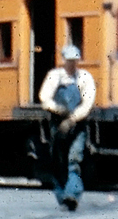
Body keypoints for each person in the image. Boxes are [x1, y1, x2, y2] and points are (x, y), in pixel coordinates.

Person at [37, 43, 96, 210]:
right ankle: (62, 194)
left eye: (75, 61)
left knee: (74, 159)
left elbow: (88, 103)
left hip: (76, 125)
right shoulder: (54, 76)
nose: (72, 64)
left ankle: (72, 195)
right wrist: (58, 110)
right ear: (64, 60)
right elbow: (44, 97)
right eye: (69, 60)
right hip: (57, 124)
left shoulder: (85, 77)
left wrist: (72, 119)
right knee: (57, 161)